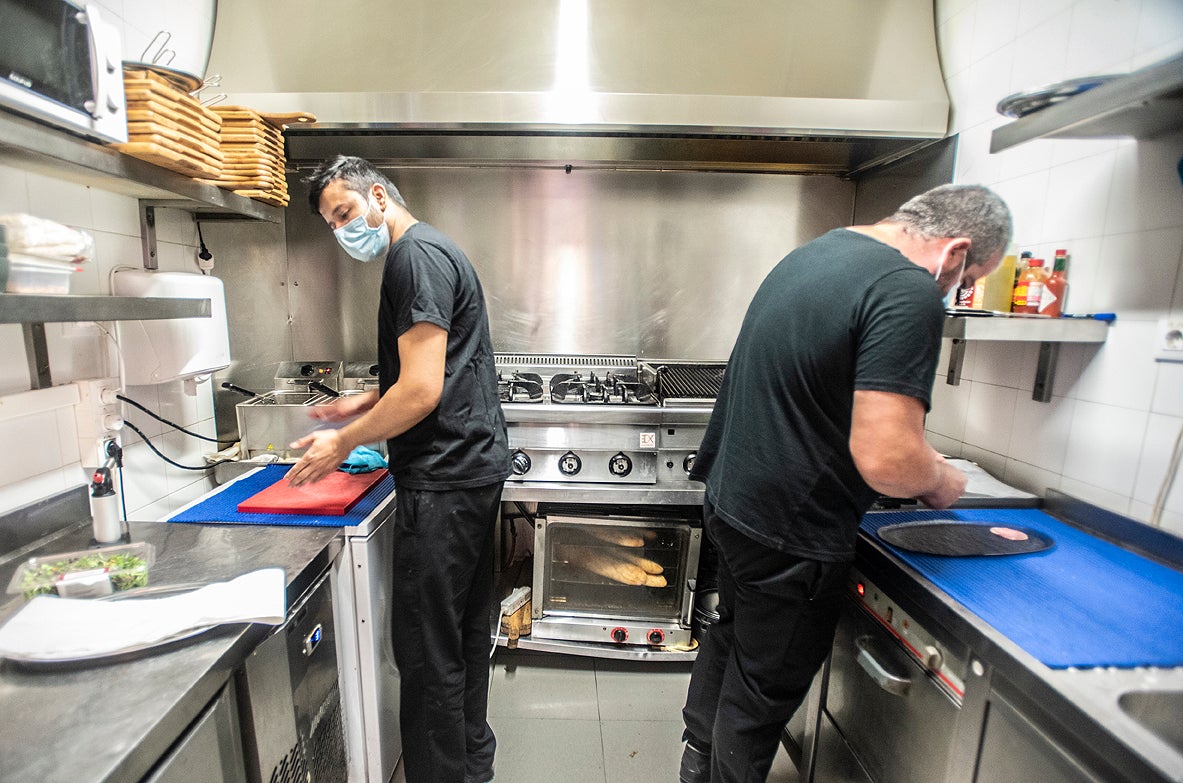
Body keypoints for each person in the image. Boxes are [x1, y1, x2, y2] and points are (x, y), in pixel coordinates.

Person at [679, 184, 1012, 783]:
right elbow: (888, 460)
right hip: (790, 528)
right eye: (963, 280)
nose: (952, 293)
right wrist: (939, 479)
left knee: (730, 637)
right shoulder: (907, 289)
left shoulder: (818, 253)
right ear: (956, 251)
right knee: (763, 689)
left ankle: (696, 760)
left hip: (733, 498)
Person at [288, 155, 510, 783]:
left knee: (425, 650)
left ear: (378, 195)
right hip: (470, 470)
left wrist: (340, 443)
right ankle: (471, 766)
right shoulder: (434, 249)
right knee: (462, 636)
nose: (343, 230)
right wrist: (365, 400)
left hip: (444, 478)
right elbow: (436, 367)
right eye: (333, 223)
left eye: (346, 212)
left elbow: (421, 393)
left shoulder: (413, 257)